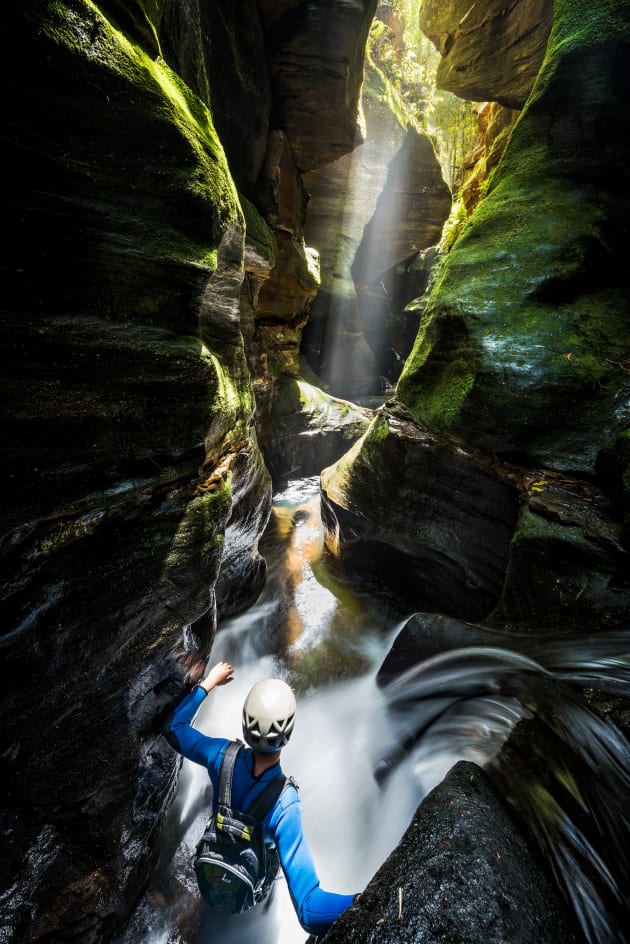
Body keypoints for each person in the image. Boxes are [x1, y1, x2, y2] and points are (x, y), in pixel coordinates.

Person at [163, 661, 357, 939]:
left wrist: (209, 683)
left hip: (215, 865)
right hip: (252, 886)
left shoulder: (221, 756)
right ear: (287, 735)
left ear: (244, 725)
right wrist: (366, 899)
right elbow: (309, 911)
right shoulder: (285, 805)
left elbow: (174, 727)